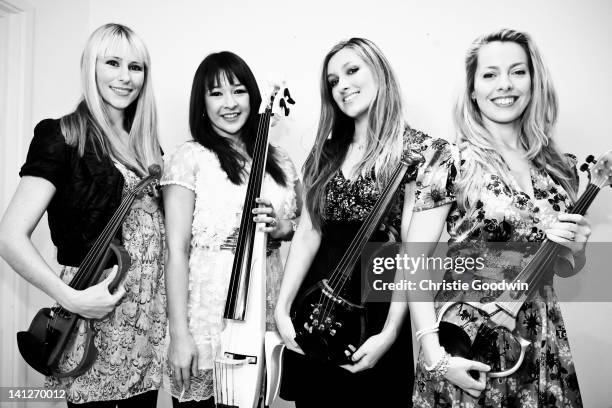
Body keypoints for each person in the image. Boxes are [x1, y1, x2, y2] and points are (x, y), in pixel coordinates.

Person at [410, 28, 588, 407]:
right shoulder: (450, 161)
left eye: (517, 71)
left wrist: (577, 250)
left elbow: (564, 267)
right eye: (489, 74)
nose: (504, 85)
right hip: (468, 338)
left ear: (533, 80)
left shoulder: (559, 169)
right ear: (472, 89)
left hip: (540, 336)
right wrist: (434, 357)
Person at [274, 37, 456, 407]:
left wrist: (389, 333)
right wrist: (282, 306)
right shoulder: (325, 152)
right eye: (332, 81)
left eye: (352, 70)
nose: (342, 85)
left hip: (379, 307)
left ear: (380, 73)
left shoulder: (425, 152)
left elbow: (412, 254)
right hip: (315, 305)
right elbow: (309, 232)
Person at [0, 23, 165, 406]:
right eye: (113, 63)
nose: (126, 77)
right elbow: (9, 236)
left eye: (136, 67)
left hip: (145, 325)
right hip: (96, 320)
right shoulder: (62, 136)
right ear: (91, 67)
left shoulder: (147, 145)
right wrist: (70, 299)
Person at [161, 51, 301, 407]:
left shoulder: (280, 160)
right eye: (216, 93)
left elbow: (306, 230)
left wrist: (283, 227)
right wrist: (179, 335)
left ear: (253, 97)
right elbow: (175, 250)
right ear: (201, 102)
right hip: (208, 317)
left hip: (265, 306)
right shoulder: (188, 157)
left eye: (238, 91)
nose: (229, 103)